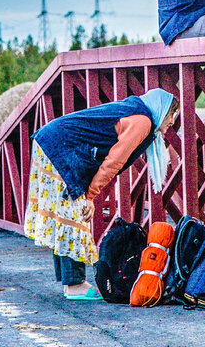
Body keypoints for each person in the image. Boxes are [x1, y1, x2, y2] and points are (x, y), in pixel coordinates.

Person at [24, 88, 180, 300]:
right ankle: (74, 285)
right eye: (171, 114)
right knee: (74, 215)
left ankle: (69, 282)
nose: (172, 121)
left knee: (65, 214)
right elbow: (114, 161)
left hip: (54, 142)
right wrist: (89, 196)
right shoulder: (142, 121)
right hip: (62, 148)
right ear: (161, 110)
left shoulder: (138, 112)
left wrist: (89, 194)